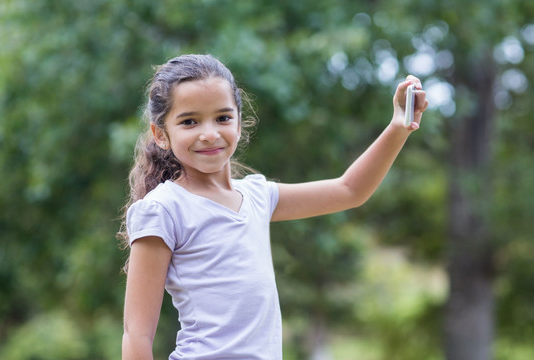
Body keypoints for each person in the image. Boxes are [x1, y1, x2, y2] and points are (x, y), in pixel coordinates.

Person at [119, 54, 428, 360]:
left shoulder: (257, 196)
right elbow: (137, 335)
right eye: (189, 121)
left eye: (223, 118)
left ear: (240, 123)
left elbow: (349, 190)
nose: (210, 133)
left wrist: (398, 127)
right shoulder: (163, 208)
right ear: (161, 134)